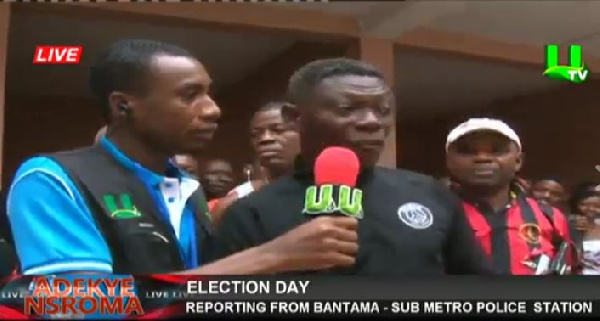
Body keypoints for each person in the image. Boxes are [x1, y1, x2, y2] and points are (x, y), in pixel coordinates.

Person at [6, 39, 358, 275]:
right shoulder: (52, 178)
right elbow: (80, 304)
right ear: (123, 105)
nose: (213, 110)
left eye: (209, 94)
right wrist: (271, 256)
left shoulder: (187, 189)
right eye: (191, 96)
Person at [213, 58, 493, 275]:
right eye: (348, 109)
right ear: (294, 118)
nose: (372, 122)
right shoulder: (250, 214)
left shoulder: (430, 194)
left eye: (383, 110)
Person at [445, 118, 573, 275]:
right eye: (467, 151)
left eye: (497, 150)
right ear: (449, 161)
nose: (482, 158)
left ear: (518, 161)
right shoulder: (432, 214)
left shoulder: (551, 217)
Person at [209, 101, 300, 222]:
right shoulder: (236, 202)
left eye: (278, 130)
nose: (265, 139)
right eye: (256, 134)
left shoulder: (324, 188)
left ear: (303, 133)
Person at [567, 186, 600, 274]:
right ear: (577, 204)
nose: (591, 209)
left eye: (597, 206)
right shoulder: (569, 224)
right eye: (585, 204)